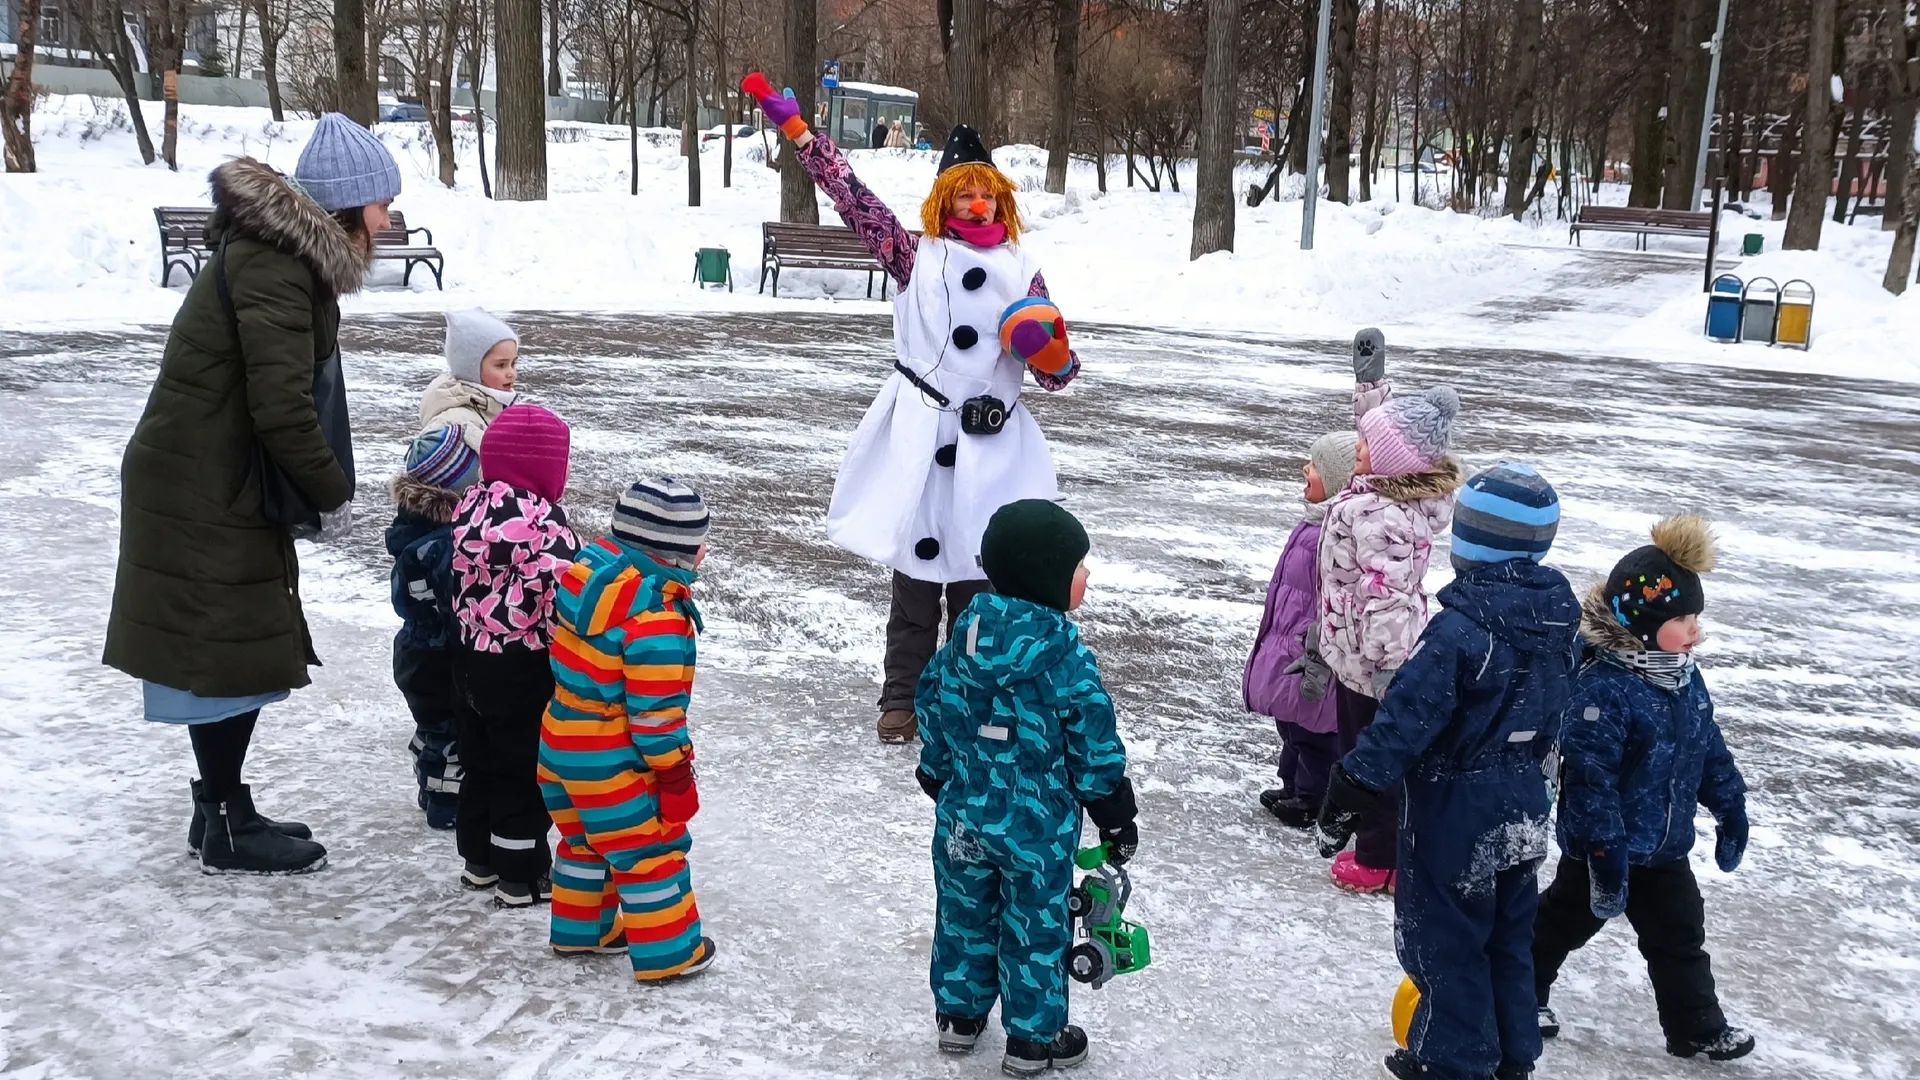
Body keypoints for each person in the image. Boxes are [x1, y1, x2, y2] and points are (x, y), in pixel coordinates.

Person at [743, 71, 1083, 745]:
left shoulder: (1023, 269)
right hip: (925, 441)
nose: (980, 204)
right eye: (967, 192)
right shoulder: (913, 256)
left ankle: (969, 703)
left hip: (994, 451)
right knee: (915, 583)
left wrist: (1050, 355)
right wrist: (802, 135)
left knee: (982, 587)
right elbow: (854, 200)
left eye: (989, 193)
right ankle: (900, 700)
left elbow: (1059, 370)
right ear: (944, 200)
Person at [103, 113, 401, 874]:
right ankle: (226, 823)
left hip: (216, 472)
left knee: (233, 645)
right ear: (346, 205)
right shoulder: (277, 263)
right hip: (205, 480)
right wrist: (333, 491)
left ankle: (223, 813)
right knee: (225, 648)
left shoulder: (285, 256)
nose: (388, 217)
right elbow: (281, 404)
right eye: (380, 202)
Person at [1316, 464, 1579, 1080]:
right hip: (1524, 799)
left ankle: (1452, 1061)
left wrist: (1351, 787)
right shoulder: (1562, 624)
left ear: (1468, 543)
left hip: (1454, 808)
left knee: (1446, 938)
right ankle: (1514, 1053)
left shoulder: (1459, 630)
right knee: (1508, 939)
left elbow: (1407, 719)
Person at [913, 500, 1138, 1077]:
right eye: (1079, 566)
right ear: (1047, 577)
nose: (1088, 575)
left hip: (963, 816)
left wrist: (937, 771)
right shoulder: (1066, 660)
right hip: (1038, 830)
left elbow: (932, 706)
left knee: (964, 913)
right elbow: (1092, 738)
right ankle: (1033, 1041)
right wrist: (1114, 809)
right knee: (1036, 927)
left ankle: (959, 1019)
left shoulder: (960, 644)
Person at [1533, 515, 1755, 1062]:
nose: (1695, 629)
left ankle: (1695, 1026)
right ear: (1642, 620)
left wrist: (1730, 805)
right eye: (1683, 617)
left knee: (1680, 935)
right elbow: (1589, 783)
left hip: (1666, 847)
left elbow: (1707, 746)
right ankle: (1520, 988)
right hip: (1603, 849)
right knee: (1561, 924)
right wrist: (1605, 854)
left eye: (1697, 616)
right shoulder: (1602, 691)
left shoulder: (1682, 676)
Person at [541, 478, 718, 981]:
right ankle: (670, 955)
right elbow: (654, 717)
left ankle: (582, 933)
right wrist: (676, 776)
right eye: (700, 542)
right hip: (614, 761)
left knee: (583, 842)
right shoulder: (658, 617)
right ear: (677, 555)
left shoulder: (583, 581)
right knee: (650, 853)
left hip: (559, 743)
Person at [1314, 328, 1463, 894]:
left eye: (1367, 446)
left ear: (1395, 463)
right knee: (1367, 751)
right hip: (1355, 649)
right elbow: (1382, 435)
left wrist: (1385, 665)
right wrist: (1370, 388)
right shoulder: (1385, 489)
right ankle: (1390, 848)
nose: (1357, 449)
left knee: (1371, 755)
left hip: (1372, 661)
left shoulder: (1384, 516)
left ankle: (1381, 858)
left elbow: (1390, 598)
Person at [450, 404, 580, 907]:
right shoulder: (548, 529)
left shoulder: (470, 509)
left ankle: (478, 861)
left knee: (479, 761)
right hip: (523, 665)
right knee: (521, 769)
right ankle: (520, 875)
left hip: (467, 660)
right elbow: (559, 604)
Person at [1243, 431, 1358, 827]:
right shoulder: (1313, 524)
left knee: (1316, 728)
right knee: (1292, 721)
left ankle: (1314, 798)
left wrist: (1319, 643)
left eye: (1315, 466)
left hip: (1312, 645)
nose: (1305, 470)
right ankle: (1292, 784)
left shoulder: (1336, 534)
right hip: (1290, 637)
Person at [387, 425, 482, 831]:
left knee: (433, 724)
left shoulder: (412, 528)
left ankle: (428, 772)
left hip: (414, 648)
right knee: (449, 731)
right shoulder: (444, 544)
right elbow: (452, 601)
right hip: (439, 652)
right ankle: (445, 803)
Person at [423, 309, 521, 453]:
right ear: (471, 367)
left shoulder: (497, 407)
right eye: (501, 365)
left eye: (513, 364)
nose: (511, 373)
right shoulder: (452, 421)